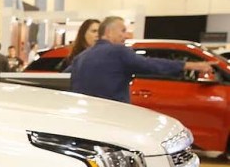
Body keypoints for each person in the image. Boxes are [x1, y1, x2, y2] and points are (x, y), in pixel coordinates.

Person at [69, 16, 214, 103]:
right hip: (114, 116)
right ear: (108, 32)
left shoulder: (80, 58)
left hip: (88, 118)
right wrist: (188, 65)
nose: (126, 36)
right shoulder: (118, 51)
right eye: (123, 31)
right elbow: (151, 65)